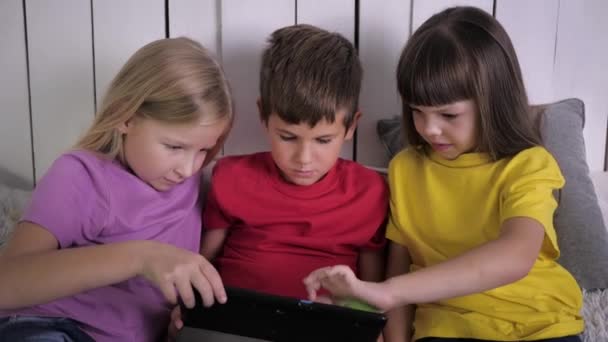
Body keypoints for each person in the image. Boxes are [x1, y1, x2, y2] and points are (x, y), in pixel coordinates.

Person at [304, 6, 584, 342]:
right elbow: (399, 267)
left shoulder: (528, 165)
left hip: (539, 325)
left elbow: (516, 255)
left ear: (492, 101)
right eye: (417, 112)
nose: (430, 129)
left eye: (448, 115)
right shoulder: (406, 169)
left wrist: (390, 291)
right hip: (446, 329)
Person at [0, 37, 233, 342]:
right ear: (126, 116)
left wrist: (182, 321)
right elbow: (7, 283)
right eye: (174, 146)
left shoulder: (194, 184)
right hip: (53, 325)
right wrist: (141, 257)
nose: (188, 168)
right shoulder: (81, 175)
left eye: (203, 149)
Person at [200, 24, 388, 300]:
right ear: (263, 115)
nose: (303, 159)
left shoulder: (368, 192)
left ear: (351, 126)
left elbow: (372, 296)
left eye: (323, 140)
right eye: (288, 137)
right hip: (237, 322)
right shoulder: (231, 177)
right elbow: (201, 264)